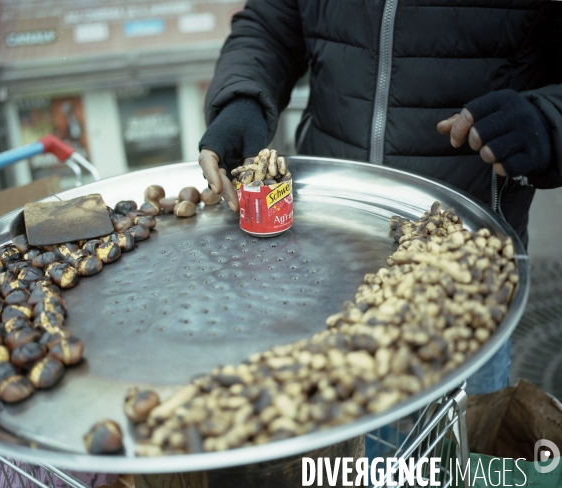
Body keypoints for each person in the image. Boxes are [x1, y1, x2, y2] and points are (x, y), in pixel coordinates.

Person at [197, 0, 562, 395]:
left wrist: (549, 120)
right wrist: (242, 98)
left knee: (454, 451)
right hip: (325, 262)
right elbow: (272, 24)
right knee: (339, 445)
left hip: (463, 274)